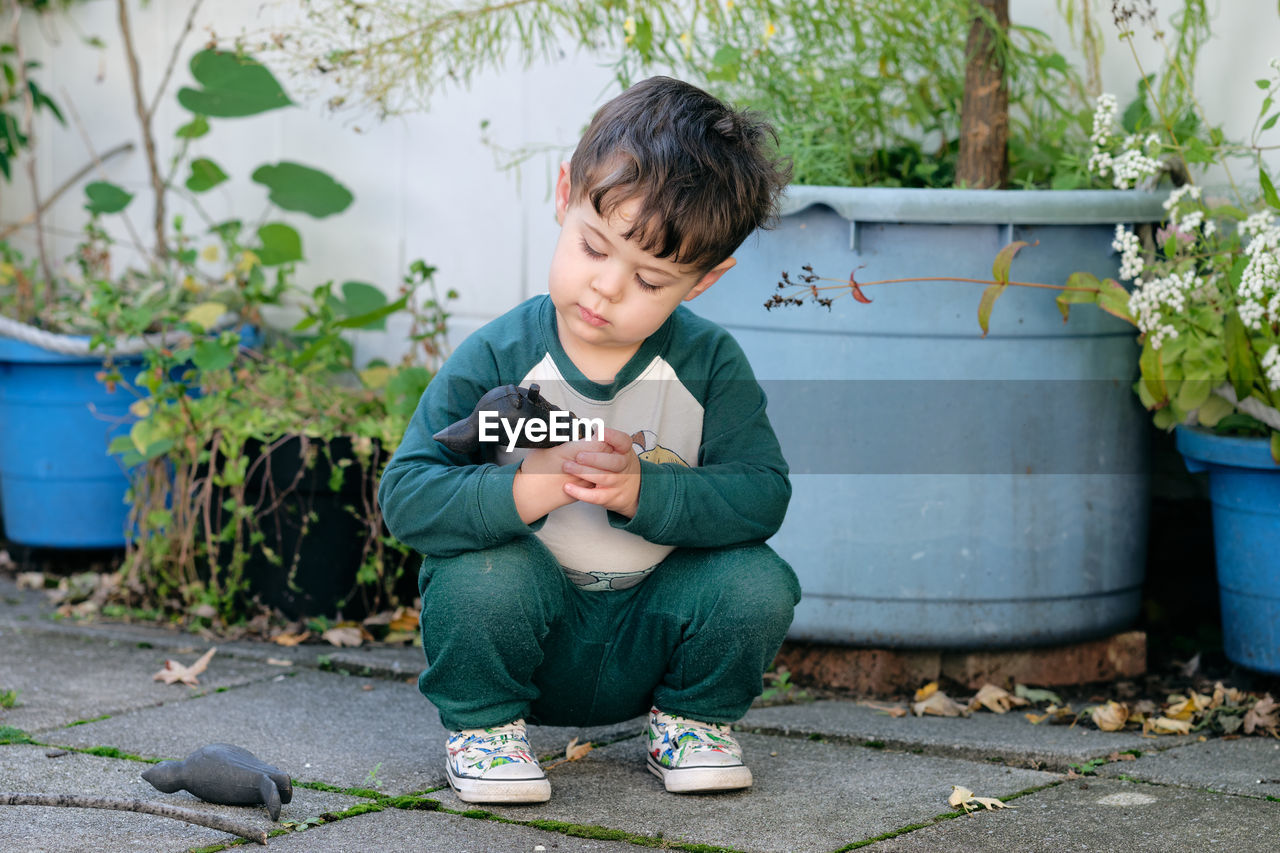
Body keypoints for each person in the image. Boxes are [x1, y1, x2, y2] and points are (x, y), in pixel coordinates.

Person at [378, 76, 801, 804]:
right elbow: (408, 495)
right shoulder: (501, 353)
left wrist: (644, 488)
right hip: (530, 629)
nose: (606, 288)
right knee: (480, 574)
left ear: (702, 281)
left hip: (651, 623)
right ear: (565, 191)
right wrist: (527, 487)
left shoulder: (707, 364)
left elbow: (762, 493)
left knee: (756, 579)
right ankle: (484, 728)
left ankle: (692, 722)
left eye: (650, 279)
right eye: (593, 247)